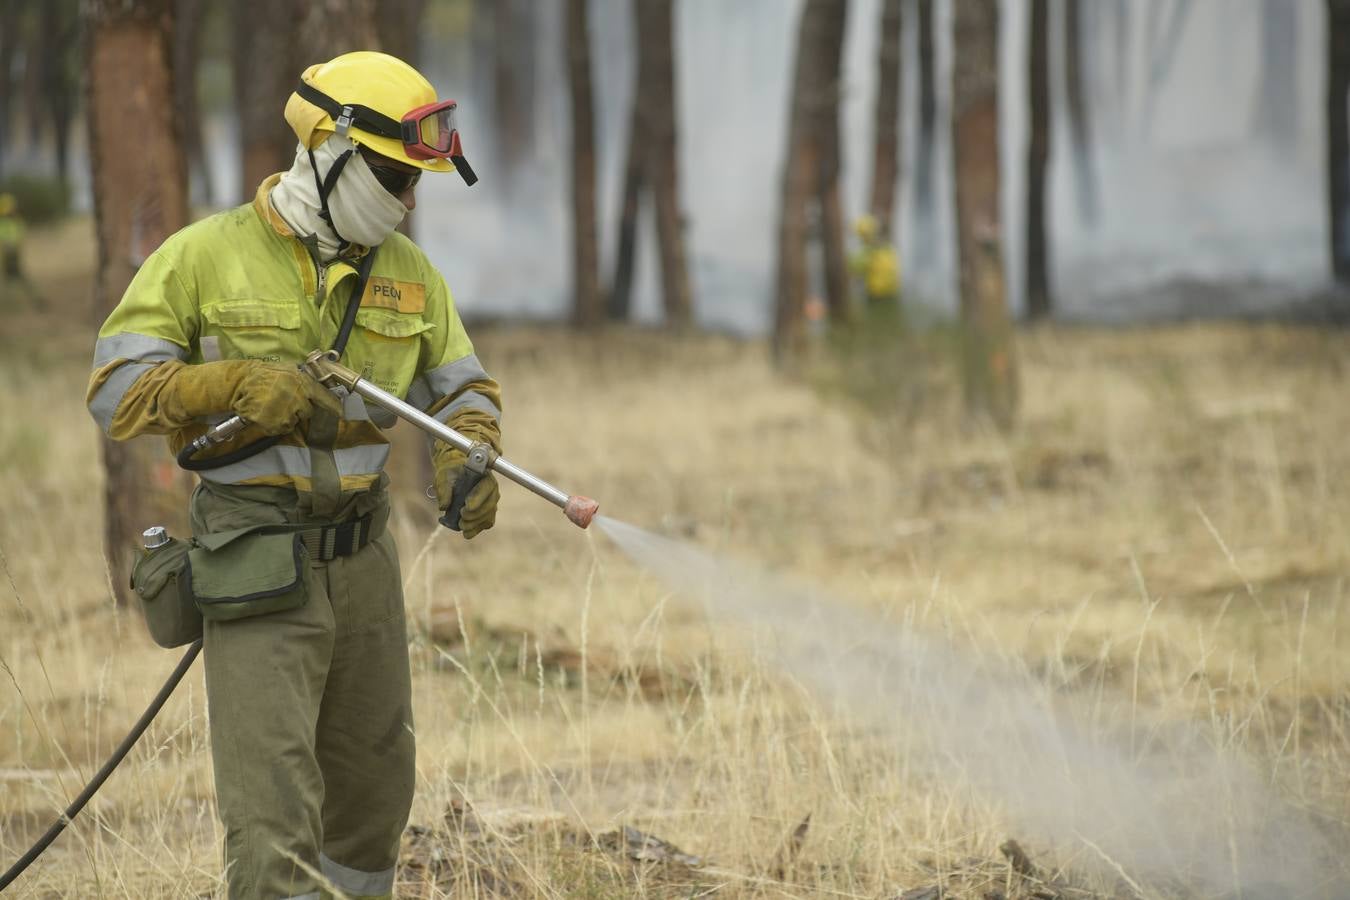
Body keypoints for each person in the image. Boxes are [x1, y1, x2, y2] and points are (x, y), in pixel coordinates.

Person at [87, 52, 501, 899]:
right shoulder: (202, 257)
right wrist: (232, 385)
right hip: (256, 562)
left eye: (418, 182)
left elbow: (463, 388)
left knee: (373, 801)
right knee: (274, 817)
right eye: (395, 177)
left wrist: (470, 445)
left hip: (365, 565)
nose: (409, 200)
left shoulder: (411, 276)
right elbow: (116, 391)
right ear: (332, 150)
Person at [849, 214, 900, 314]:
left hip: (876, 294)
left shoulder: (866, 253)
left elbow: (854, 272)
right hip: (892, 292)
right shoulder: (887, 248)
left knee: (877, 317)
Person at [0, 192, 41, 308]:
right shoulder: (6, 223)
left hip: (13, 256)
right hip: (8, 256)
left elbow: (19, 238)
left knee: (18, 279)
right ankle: (11, 304)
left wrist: (12, 247)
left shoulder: (16, 222)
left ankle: (34, 299)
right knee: (12, 281)